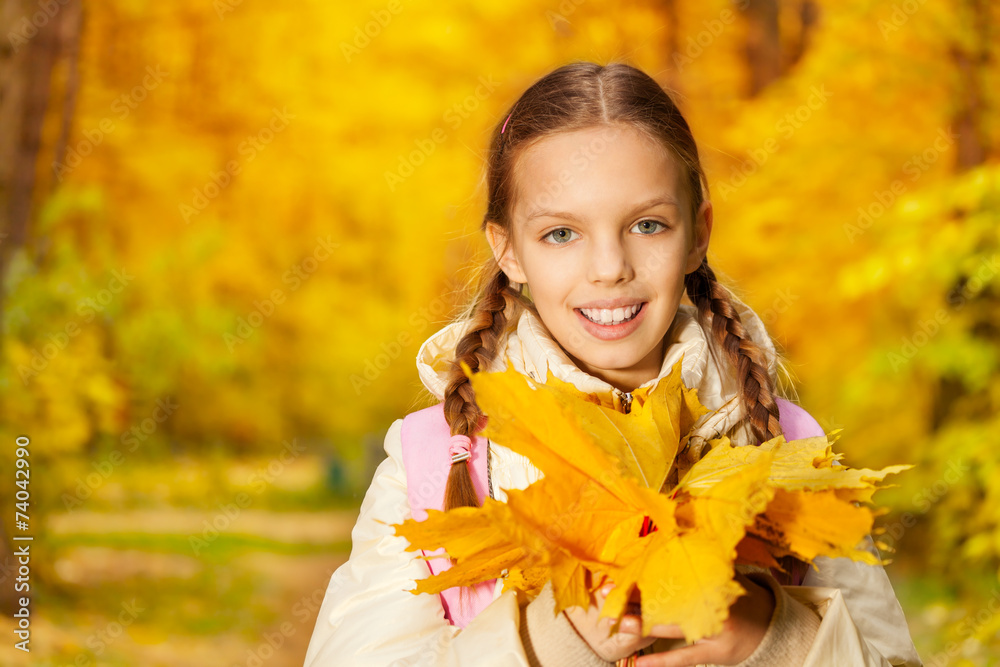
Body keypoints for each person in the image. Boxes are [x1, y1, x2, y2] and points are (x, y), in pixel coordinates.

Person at [303, 61, 922, 667]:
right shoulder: (437, 462)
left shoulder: (786, 448)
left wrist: (780, 640)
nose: (609, 266)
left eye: (647, 225)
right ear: (509, 251)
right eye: (561, 234)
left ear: (698, 233)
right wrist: (541, 646)